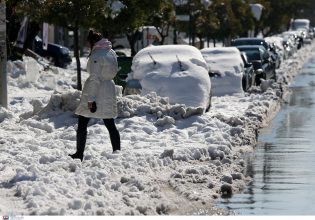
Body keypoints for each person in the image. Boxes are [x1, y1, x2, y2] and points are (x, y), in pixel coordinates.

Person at [69, 29, 121, 162]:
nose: (87, 45)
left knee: (82, 122)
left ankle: (79, 154)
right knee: (110, 123)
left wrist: (91, 99)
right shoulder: (111, 52)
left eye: (87, 42)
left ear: (92, 42)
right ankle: (117, 152)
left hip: (97, 91)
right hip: (109, 89)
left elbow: (95, 78)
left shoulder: (97, 55)